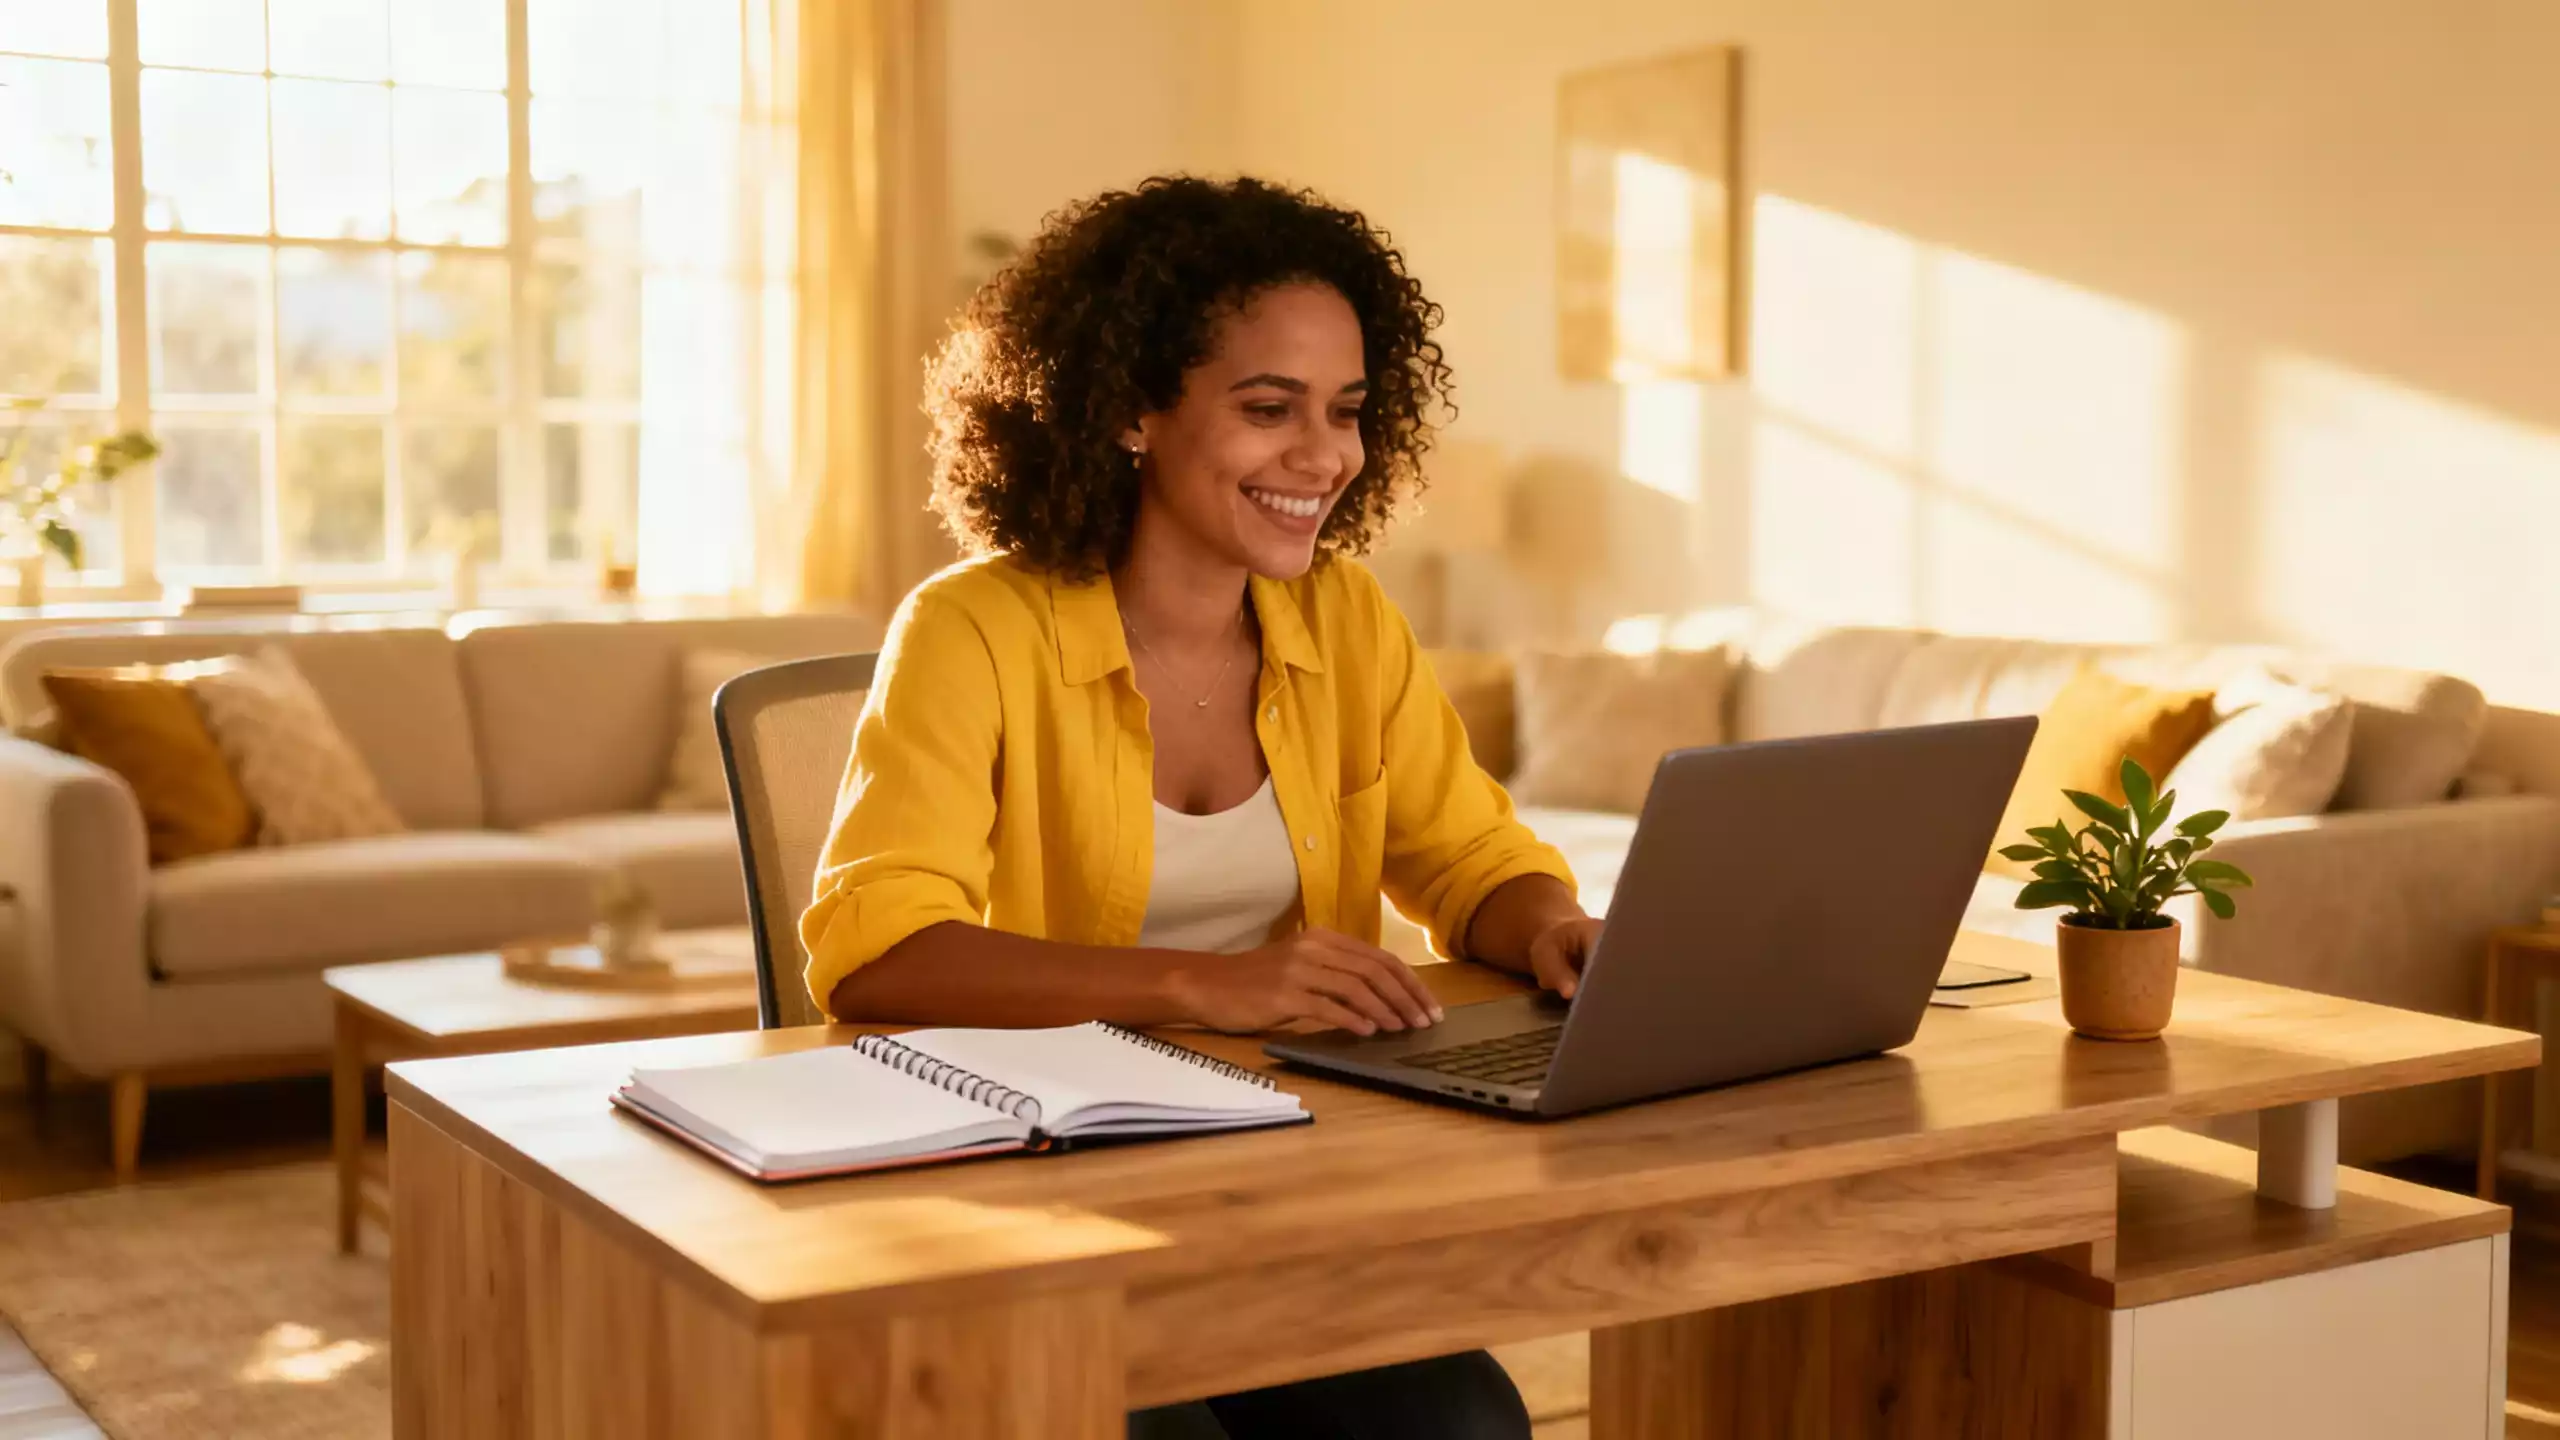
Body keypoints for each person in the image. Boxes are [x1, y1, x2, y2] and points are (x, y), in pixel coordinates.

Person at [801, 175, 1601, 1440]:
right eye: (1267, 408)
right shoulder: (971, 629)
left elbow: (1467, 855)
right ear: (1130, 408)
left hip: (1288, 1170)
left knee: (1464, 1427)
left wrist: (1550, 924)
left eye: (1345, 411)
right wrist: (1202, 986)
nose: (1323, 455)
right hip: (1038, 1189)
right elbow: (876, 954)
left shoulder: (1346, 618)